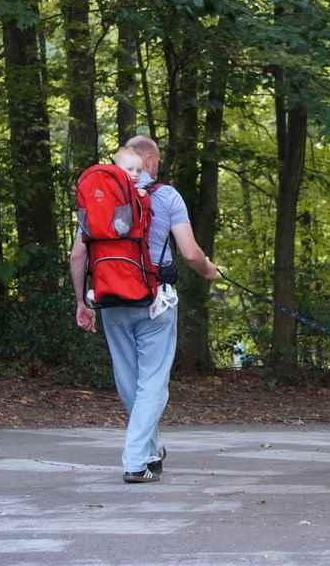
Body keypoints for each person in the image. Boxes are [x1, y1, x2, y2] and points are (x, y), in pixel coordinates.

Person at [70, 135, 219, 483]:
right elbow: (192, 253)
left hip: (109, 299)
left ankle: (150, 450)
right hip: (155, 301)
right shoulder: (167, 196)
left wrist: (81, 301)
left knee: (129, 380)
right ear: (152, 161)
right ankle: (136, 460)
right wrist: (210, 271)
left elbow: (78, 254)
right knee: (153, 382)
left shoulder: (103, 198)